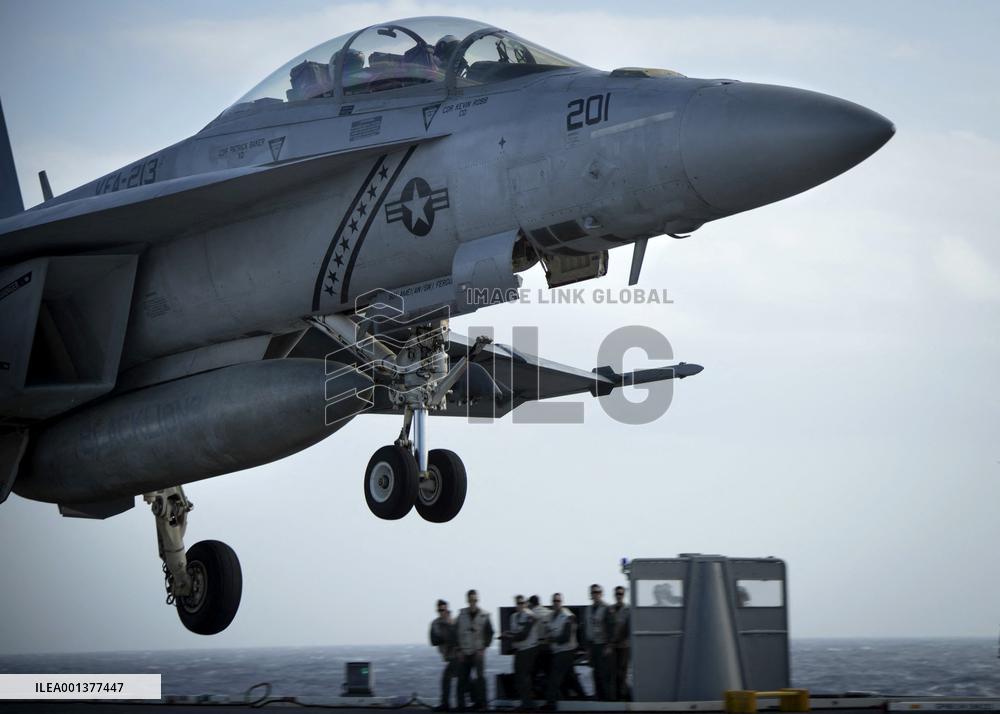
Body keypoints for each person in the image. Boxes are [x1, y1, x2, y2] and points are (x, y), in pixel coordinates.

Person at [456, 589, 494, 711]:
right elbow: (456, 633)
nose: (473, 602)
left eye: (475, 599)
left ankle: (482, 704)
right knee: (462, 679)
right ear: (467, 600)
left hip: (478, 652)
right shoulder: (461, 615)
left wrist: (484, 648)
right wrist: (459, 650)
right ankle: (461, 705)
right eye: (471, 599)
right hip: (464, 652)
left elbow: (490, 632)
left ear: (478, 599)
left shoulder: (484, 615)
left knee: (480, 678)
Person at [503, 595, 540, 709]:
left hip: (529, 648)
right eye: (518, 603)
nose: (520, 605)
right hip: (519, 649)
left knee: (524, 676)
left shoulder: (530, 616)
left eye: (522, 603)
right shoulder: (513, 617)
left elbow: (524, 635)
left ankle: (528, 703)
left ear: (525, 603)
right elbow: (515, 632)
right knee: (519, 676)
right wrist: (507, 634)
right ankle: (525, 701)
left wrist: (509, 637)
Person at [542, 593, 577, 711]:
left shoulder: (567, 616)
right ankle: (581, 697)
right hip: (557, 651)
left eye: (558, 601)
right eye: (554, 601)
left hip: (565, 651)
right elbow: (547, 628)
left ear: (561, 602)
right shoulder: (551, 616)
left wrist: (551, 639)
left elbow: (566, 637)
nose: (556, 603)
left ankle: (551, 703)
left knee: (554, 678)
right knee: (570, 677)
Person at [584, 584, 613, 700]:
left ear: (601, 593)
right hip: (592, 645)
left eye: (597, 592)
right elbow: (586, 627)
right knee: (594, 672)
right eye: (593, 592)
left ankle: (607, 698)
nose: (595, 594)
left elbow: (611, 627)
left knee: (604, 673)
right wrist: (587, 647)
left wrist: (609, 645)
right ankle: (599, 697)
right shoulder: (588, 609)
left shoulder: (606, 608)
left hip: (603, 645)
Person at [430, 599, 458, 711]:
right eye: (440, 609)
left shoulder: (453, 622)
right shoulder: (435, 624)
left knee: (446, 678)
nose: (442, 612)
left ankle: (445, 704)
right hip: (449, 656)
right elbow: (433, 640)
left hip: (457, 655)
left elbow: (457, 637)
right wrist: (443, 638)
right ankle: (476, 701)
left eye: (444, 609)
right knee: (464, 679)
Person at [608, 586, 631, 700]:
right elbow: (608, 626)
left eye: (621, 594)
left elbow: (628, 627)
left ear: (624, 595)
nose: (619, 596)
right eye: (617, 594)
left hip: (624, 645)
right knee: (614, 671)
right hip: (613, 645)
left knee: (623, 671)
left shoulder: (628, 609)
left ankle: (623, 694)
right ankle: (617, 694)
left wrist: (620, 639)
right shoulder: (610, 609)